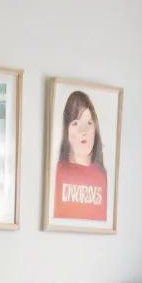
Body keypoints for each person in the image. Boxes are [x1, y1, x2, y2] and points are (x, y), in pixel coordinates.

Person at [53, 89, 108, 222]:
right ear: (66, 130)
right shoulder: (57, 172)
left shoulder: (101, 175)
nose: (84, 131)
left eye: (89, 123)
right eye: (75, 123)